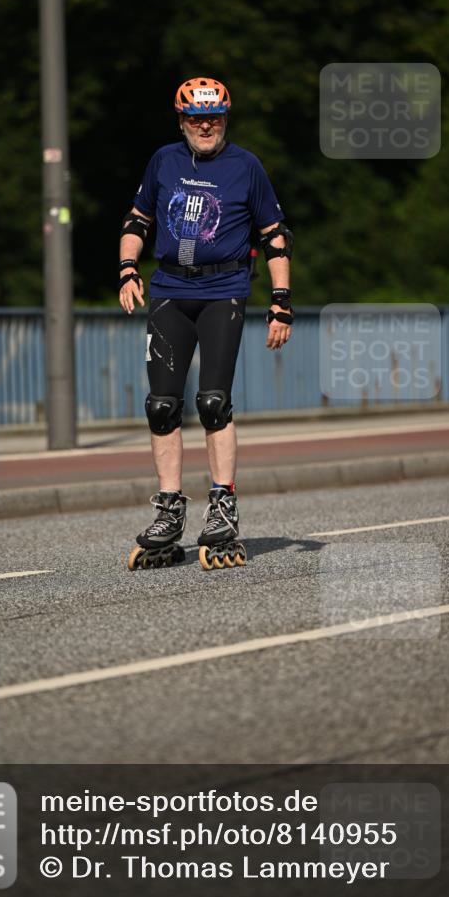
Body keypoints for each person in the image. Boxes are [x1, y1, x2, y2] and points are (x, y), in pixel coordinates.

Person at [119, 77, 293, 570]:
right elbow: (137, 220)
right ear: (182, 122)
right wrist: (127, 269)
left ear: (225, 118)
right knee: (161, 405)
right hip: (170, 292)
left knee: (212, 401)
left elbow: (275, 236)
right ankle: (170, 510)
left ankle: (222, 503)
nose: (205, 125)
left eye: (214, 116)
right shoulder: (164, 161)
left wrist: (281, 302)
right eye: (196, 117)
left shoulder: (246, 166)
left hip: (223, 293)